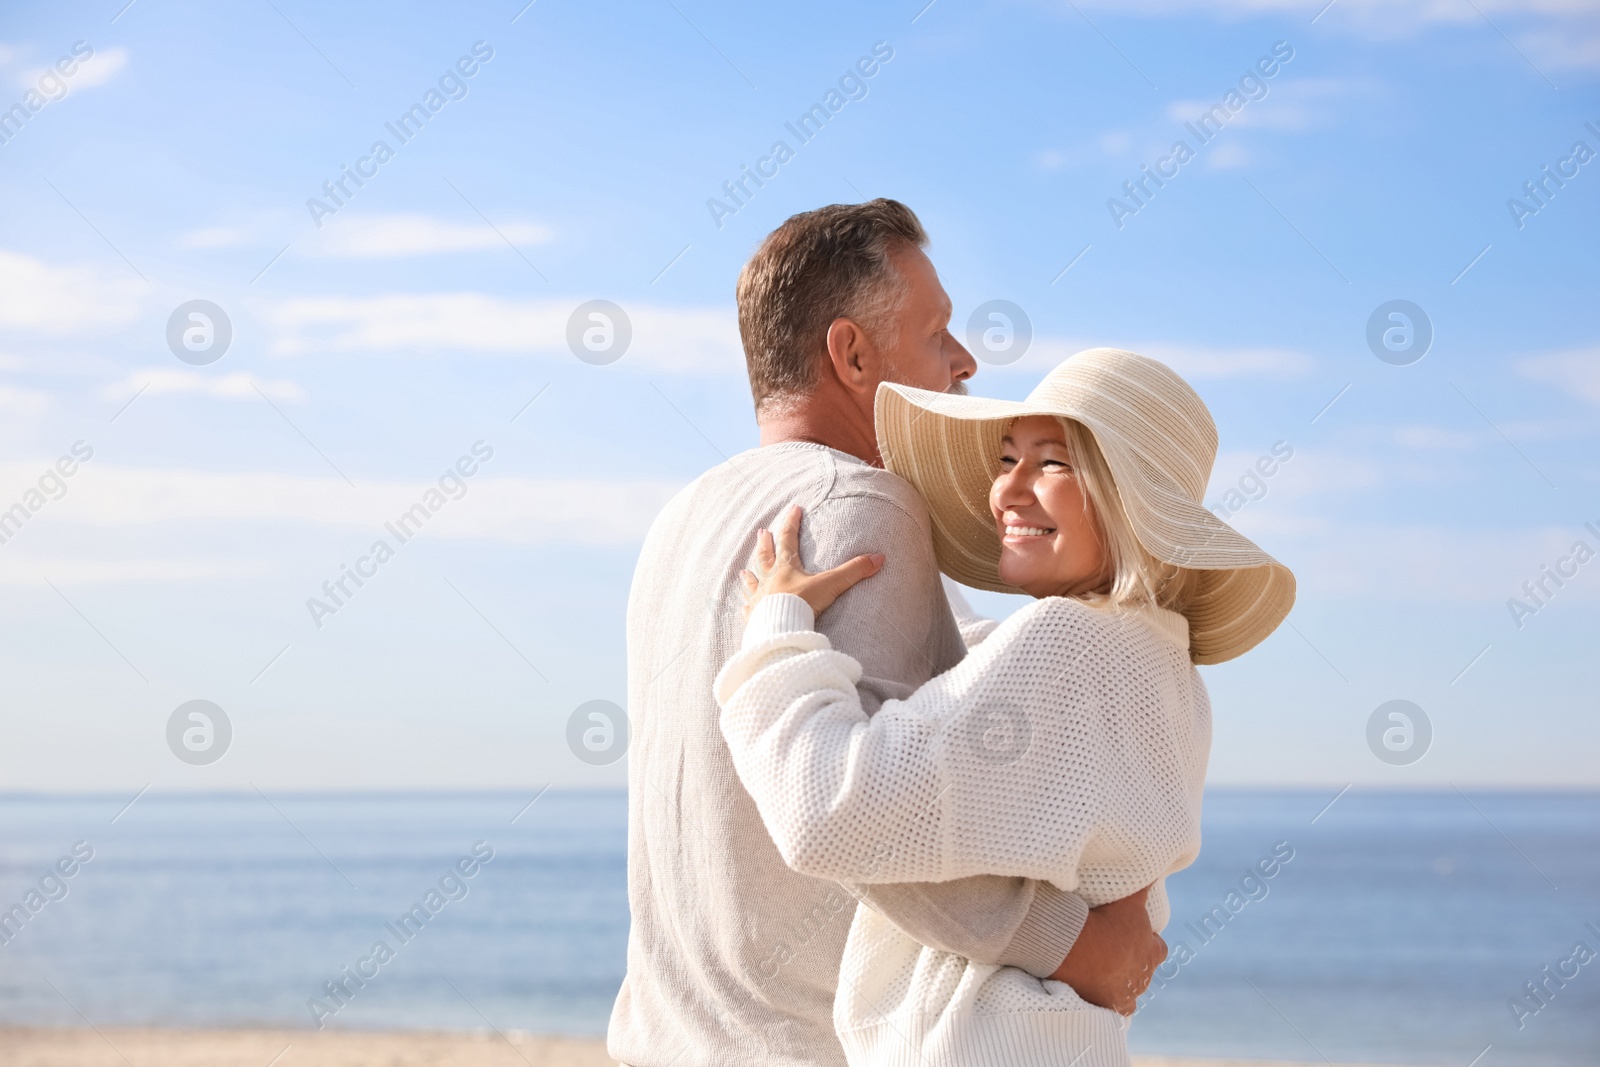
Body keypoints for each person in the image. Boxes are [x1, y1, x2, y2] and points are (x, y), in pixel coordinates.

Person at [606, 202, 1165, 1067]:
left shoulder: (686, 519)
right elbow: (882, 828)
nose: (966, 360)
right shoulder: (861, 504)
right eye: (938, 330)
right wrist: (1079, 944)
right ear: (852, 355)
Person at [714, 348, 1296, 1067]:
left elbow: (827, 813)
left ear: (1132, 501)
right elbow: (982, 676)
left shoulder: (1069, 647)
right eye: (1007, 458)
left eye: (1053, 464)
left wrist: (774, 636)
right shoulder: (1158, 666)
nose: (1008, 491)